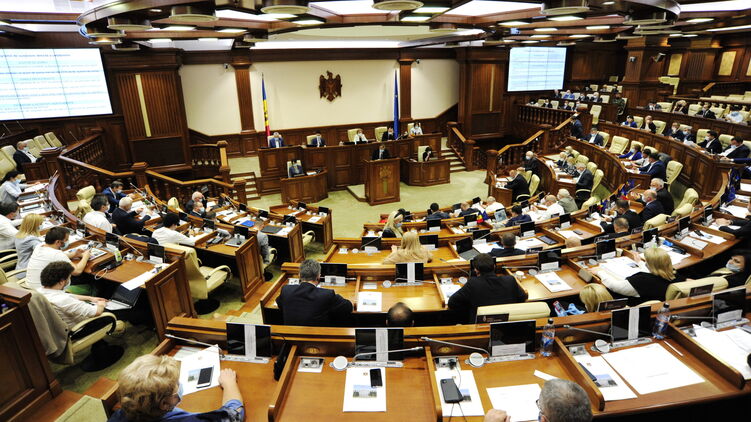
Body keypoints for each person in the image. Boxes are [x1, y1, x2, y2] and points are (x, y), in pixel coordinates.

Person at [108, 354, 244, 422]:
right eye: (176, 385)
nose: (179, 385)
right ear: (164, 404)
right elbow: (234, 415)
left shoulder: (120, 414)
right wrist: (229, 383)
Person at [448, 253, 525, 323]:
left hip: (480, 327)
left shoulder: (473, 283)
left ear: (476, 270)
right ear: (494, 266)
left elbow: (452, 303)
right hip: (507, 325)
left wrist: (470, 306)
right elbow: (523, 297)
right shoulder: (510, 280)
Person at [38, 261, 115, 329]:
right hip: (80, 328)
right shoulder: (64, 300)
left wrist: (90, 298)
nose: (69, 280)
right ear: (61, 281)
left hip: (55, 328)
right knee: (115, 313)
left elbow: (66, 295)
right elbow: (97, 312)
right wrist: (101, 304)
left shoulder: (39, 291)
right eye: (69, 277)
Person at [275, 259, 353, 326]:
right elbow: (348, 307)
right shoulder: (327, 294)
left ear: (299, 275)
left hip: (290, 336)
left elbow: (280, 304)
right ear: (318, 276)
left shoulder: (286, 290)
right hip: (318, 337)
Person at [26, 227, 90, 290]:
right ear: (58, 242)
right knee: (87, 280)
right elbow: (77, 271)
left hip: (31, 286)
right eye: (66, 240)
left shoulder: (39, 246)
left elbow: (53, 257)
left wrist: (74, 254)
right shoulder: (57, 254)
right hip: (44, 291)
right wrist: (85, 256)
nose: (67, 241)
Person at [613, 247, 684, 305]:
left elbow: (614, 286)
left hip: (633, 307)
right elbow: (653, 272)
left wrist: (604, 274)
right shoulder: (674, 274)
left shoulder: (643, 280)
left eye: (646, 262)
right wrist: (640, 262)